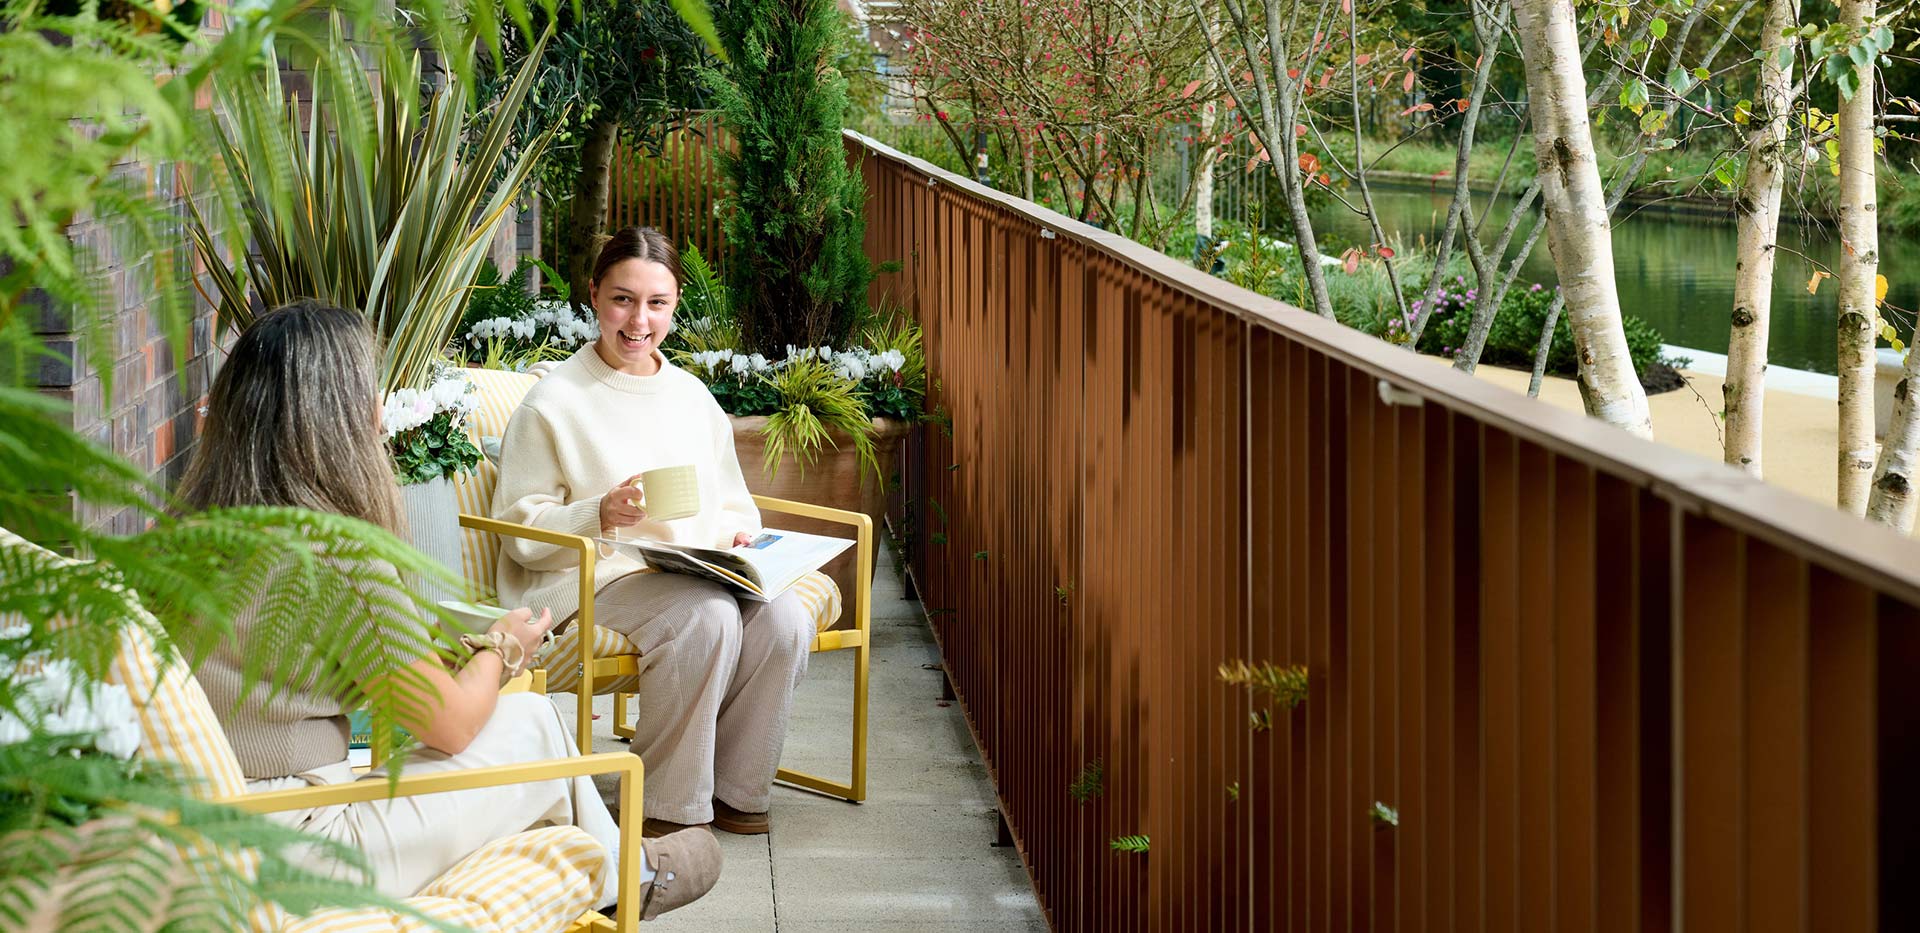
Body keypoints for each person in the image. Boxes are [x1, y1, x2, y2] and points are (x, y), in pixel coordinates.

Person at [178, 300, 720, 919]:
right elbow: (455, 723)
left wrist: (385, 719)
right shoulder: (337, 555)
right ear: (336, 419)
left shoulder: (187, 534)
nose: (382, 410)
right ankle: (630, 874)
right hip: (301, 843)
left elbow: (302, 713)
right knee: (532, 725)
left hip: (205, 823)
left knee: (481, 732)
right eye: (370, 390)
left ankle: (622, 870)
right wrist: (503, 649)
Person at [492, 226, 816, 837]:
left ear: (674, 305)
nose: (639, 319)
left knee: (786, 618)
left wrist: (738, 538)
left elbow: (731, 506)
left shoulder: (691, 396)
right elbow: (520, 531)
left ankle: (737, 790)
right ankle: (665, 802)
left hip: (690, 570)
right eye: (622, 298)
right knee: (706, 617)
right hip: (584, 578)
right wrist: (598, 513)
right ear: (593, 295)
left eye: (657, 303)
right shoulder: (553, 400)